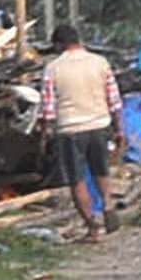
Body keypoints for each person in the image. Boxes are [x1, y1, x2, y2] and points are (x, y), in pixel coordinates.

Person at [46, 26, 122, 239]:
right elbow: (114, 100)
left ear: (59, 45)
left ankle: (92, 228)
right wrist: (119, 129)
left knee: (77, 180)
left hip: (70, 130)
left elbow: (48, 108)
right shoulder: (100, 63)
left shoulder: (53, 68)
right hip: (99, 125)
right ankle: (107, 203)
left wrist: (45, 133)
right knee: (101, 172)